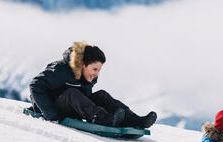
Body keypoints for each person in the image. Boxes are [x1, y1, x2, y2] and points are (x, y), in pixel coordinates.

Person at [29, 41, 157, 129]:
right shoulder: (60, 70)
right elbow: (35, 85)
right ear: (83, 65)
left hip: (74, 107)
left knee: (102, 95)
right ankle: (105, 119)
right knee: (71, 93)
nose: (97, 73)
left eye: (99, 70)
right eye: (94, 69)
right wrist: (51, 115)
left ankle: (134, 119)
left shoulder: (88, 76)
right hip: (54, 109)